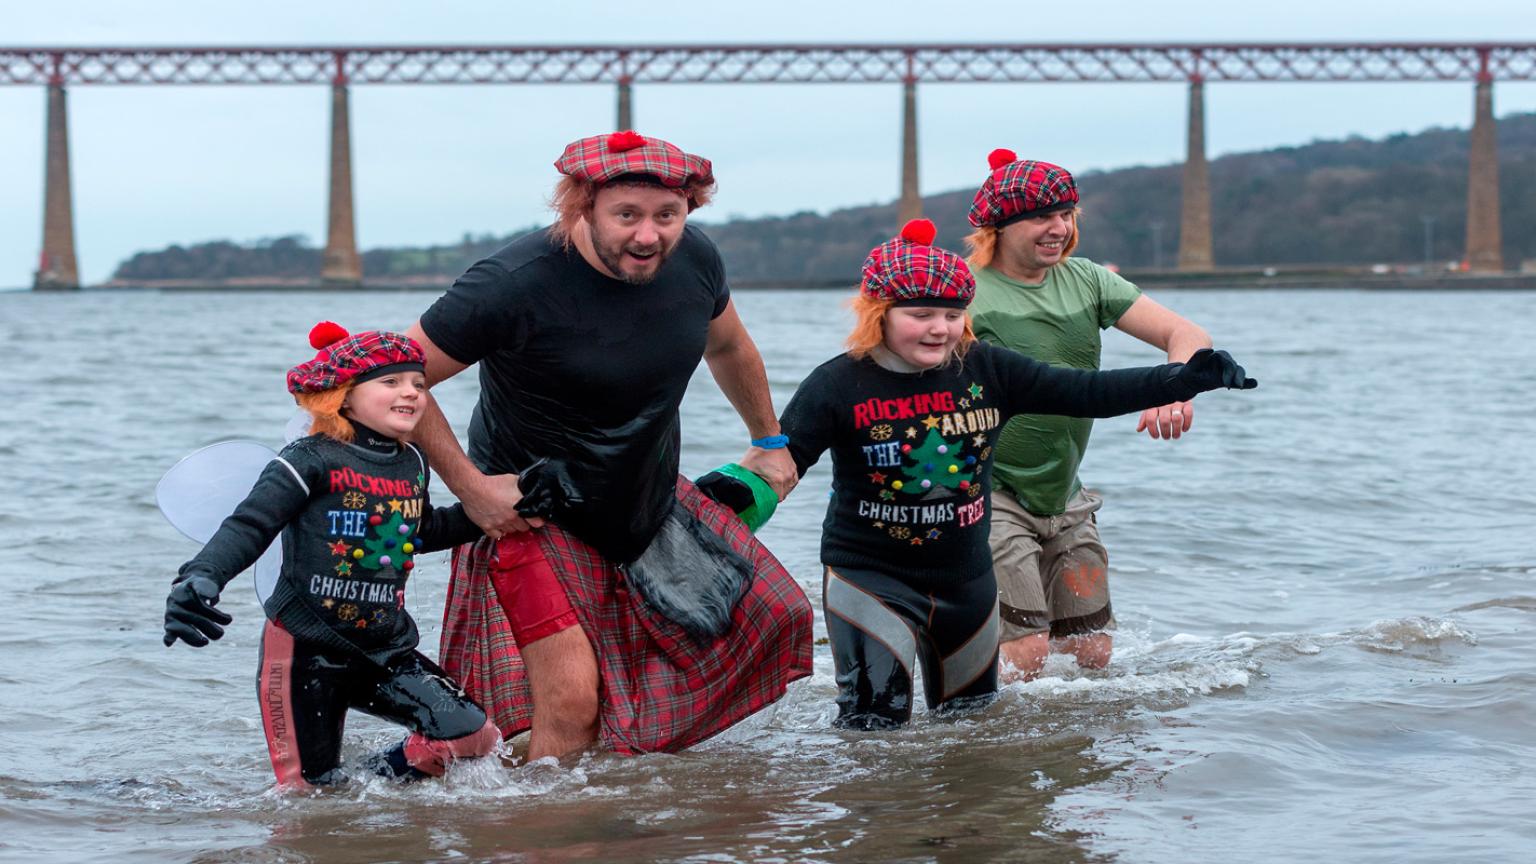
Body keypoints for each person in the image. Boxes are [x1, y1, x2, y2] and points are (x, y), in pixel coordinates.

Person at [402, 130, 813, 760]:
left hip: (646, 496)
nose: (648, 236)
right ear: (581, 207)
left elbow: (727, 345)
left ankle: (618, 798)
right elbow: (396, 379)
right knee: (570, 702)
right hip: (534, 509)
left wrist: (770, 441)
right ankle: (547, 836)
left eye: (666, 216)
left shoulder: (697, 260)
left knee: (776, 617)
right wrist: (471, 488)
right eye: (627, 215)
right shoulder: (511, 282)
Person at [776, 219, 1255, 728]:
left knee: (972, 731)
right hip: (870, 579)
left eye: (952, 314)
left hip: (967, 582)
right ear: (878, 314)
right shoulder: (836, 383)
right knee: (873, 728)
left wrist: (1181, 379)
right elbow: (780, 467)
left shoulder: (986, 369)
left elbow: (1085, 392)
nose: (940, 328)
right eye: (920, 315)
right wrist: (729, 507)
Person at [161, 322, 499, 789]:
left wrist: (495, 510)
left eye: (419, 384)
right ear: (343, 394)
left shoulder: (412, 461)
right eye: (391, 382)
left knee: (473, 736)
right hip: (305, 653)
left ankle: (369, 785)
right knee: (308, 796)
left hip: (386, 649)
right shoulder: (309, 459)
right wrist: (199, 578)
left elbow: (417, 532)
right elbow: (250, 525)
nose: (412, 393)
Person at [963, 150, 1226, 681]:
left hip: (1064, 492)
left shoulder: (1087, 280)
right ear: (998, 224)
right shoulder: (964, 293)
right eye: (1041, 217)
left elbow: (1188, 336)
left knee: (1092, 656)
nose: (1058, 228)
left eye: (1067, 215)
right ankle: (984, 745)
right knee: (1028, 653)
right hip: (986, 487)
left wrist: (1174, 387)